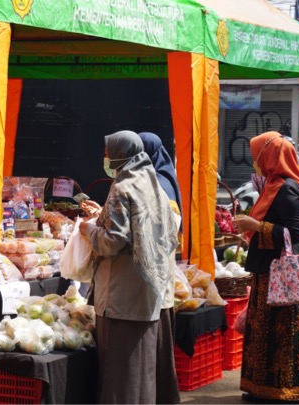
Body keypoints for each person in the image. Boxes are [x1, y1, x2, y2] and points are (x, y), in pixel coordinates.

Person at [78, 130, 178, 404]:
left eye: (108, 152)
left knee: (121, 370)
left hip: (121, 293)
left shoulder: (123, 187)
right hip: (146, 289)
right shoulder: (151, 183)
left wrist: (89, 229)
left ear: (119, 154)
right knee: (141, 368)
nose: (105, 158)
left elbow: (112, 242)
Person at [232, 131, 299, 404]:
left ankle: (284, 392)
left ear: (268, 157)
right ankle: (259, 387)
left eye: (257, 155)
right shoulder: (272, 185)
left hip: (281, 272)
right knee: (261, 331)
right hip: (268, 268)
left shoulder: (288, 189)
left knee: (282, 334)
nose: (253, 161)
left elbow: (295, 233)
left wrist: (257, 227)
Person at [138, 131, 181, 404]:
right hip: (157, 275)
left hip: (155, 274)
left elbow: (163, 231)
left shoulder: (160, 184)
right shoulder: (155, 179)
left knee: (158, 344)